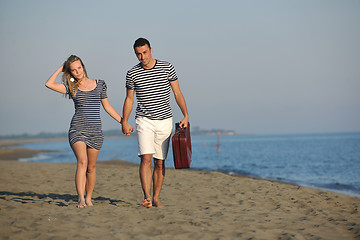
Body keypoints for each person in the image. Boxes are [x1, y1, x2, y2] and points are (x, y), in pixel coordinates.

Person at [45, 55, 122, 208]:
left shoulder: (100, 84)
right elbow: (49, 84)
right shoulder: (71, 86)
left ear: (83, 67)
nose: (77, 72)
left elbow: (107, 107)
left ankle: (89, 198)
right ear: (70, 72)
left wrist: (122, 122)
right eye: (73, 70)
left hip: (95, 132)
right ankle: (80, 198)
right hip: (77, 129)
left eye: (79, 68)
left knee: (91, 168)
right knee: (83, 162)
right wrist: (61, 69)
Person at [122, 38, 189, 208]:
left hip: (165, 120)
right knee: (146, 158)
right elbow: (129, 99)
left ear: (151, 50)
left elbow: (177, 93)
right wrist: (124, 121)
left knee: (160, 162)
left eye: (144, 52)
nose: (142, 57)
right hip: (144, 120)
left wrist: (185, 115)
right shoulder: (132, 73)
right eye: (138, 54)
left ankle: (156, 197)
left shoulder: (167, 67)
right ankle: (147, 197)